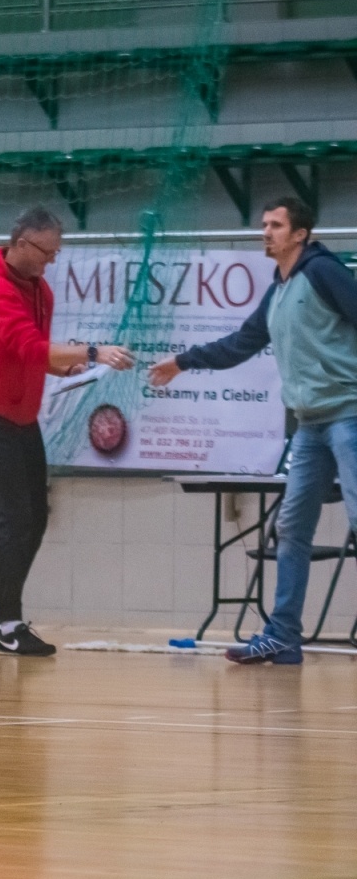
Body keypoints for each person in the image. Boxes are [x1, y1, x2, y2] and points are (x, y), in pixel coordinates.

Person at [150, 197, 357, 665]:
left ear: (300, 234)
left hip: (349, 415)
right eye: (264, 224)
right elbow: (243, 343)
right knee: (290, 529)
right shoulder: (279, 287)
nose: (265, 232)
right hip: (309, 426)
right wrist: (184, 361)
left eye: (276, 225)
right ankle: (283, 636)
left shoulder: (324, 273)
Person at [0, 206, 133, 657]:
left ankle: (2, 609)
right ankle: (9, 620)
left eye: (57, 251)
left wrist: (62, 367)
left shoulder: (42, 292)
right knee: (10, 518)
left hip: (21, 417)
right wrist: (94, 351)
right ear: (19, 243)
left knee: (36, 515)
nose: (51, 259)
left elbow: (30, 357)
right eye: (45, 250)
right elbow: (27, 346)